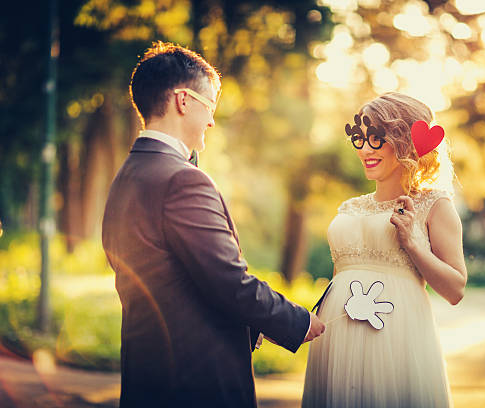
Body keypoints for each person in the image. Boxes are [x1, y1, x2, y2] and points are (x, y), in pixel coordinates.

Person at [101, 41, 325, 408]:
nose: (212, 120)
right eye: (210, 106)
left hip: (147, 375)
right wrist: (296, 322)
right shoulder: (181, 180)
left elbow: (180, 278)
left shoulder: (127, 176)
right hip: (197, 379)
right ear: (183, 100)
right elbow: (228, 280)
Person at [301, 92, 467, 407]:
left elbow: (456, 289)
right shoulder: (350, 206)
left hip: (396, 337)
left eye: (377, 139)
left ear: (404, 142)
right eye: (361, 139)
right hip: (336, 339)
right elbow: (340, 276)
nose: (364, 149)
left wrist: (414, 245)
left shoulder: (434, 205)